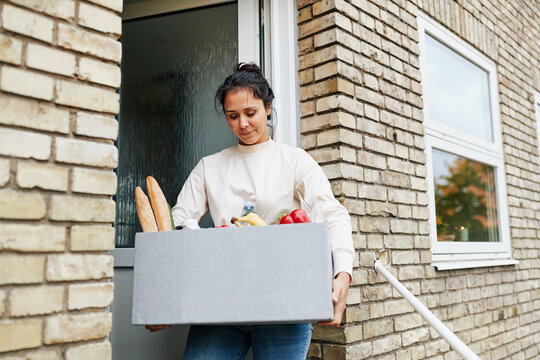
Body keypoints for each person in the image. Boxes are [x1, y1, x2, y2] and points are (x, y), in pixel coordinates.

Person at [146, 63, 355, 360]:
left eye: (250, 113)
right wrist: (161, 292)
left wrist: (342, 274)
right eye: (233, 116)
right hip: (219, 306)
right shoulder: (210, 166)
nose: (242, 123)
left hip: (285, 303)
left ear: (268, 108)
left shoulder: (294, 161)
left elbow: (332, 215)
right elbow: (178, 223)